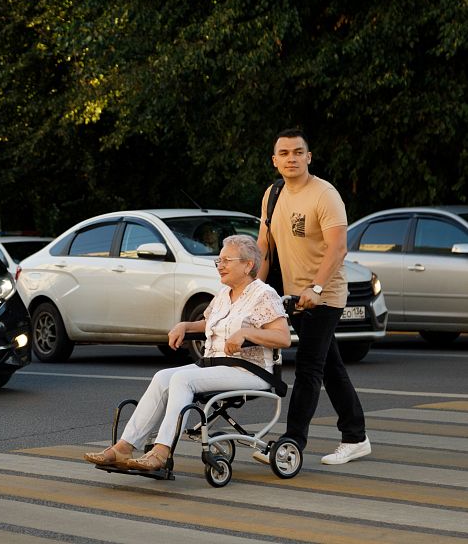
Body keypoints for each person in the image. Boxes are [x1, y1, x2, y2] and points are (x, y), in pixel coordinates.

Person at [83, 235, 291, 471]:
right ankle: (124, 447)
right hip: (216, 364)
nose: (219, 265)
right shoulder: (224, 294)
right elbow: (209, 323)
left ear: (248, 265)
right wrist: (185, 326)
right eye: (219, 261)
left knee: (182, 379)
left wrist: (246, 333)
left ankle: (162, 451)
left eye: (226, 260)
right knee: (162, 377)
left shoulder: (264, 294)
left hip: (250, 370)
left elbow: (283, 338)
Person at [255, 128, 371, 465]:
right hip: (294, 297)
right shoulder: (273, 194)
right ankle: (356, 435)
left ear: (308, 157)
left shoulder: (325, 194)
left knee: (308, 367)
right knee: (330, 367)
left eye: (298, 152)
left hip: (325, 295)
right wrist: (253, 292)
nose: (291, 158)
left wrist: (317, 288)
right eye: (284, 153)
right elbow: (264, 247)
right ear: (275, 161)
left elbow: (338, 247)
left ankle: (291, 443)